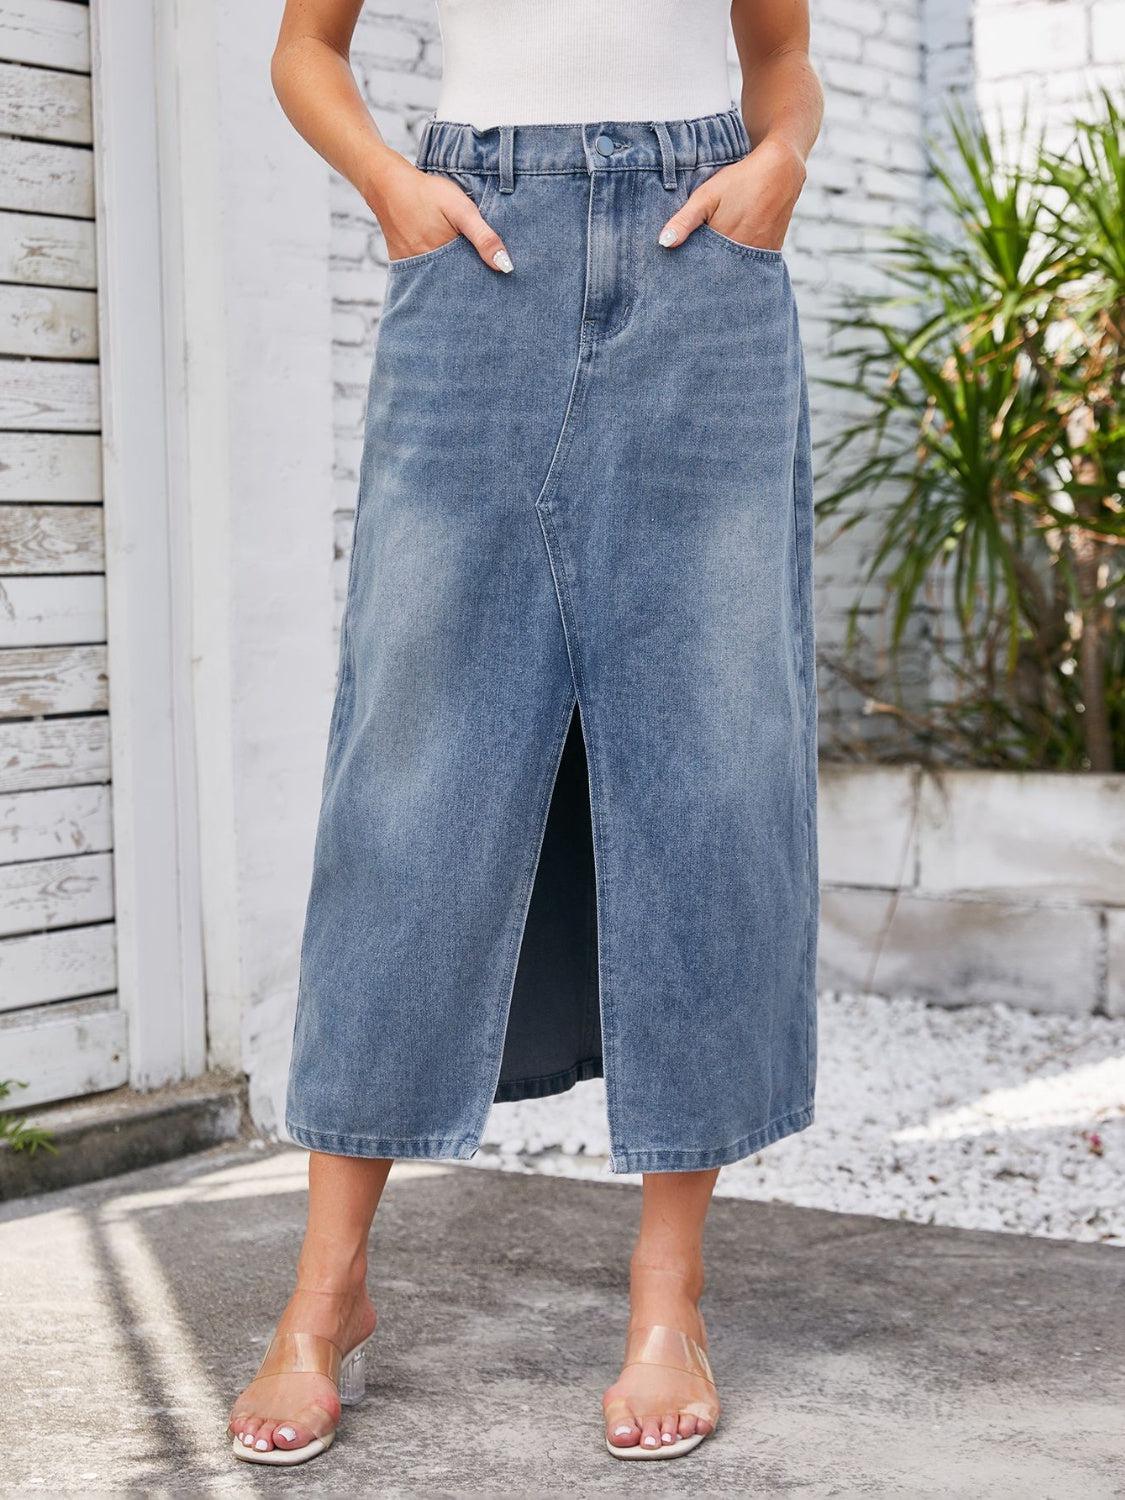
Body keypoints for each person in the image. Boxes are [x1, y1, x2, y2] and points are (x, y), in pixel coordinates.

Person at [229, 0, 822, 1467]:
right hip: (475, 248)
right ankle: (325, 1294)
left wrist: (780, 163)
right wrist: (387, 185)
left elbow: (777, 60)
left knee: (704, 756)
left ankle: (665, 1298)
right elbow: (305, 49)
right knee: (409, 769)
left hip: (704, 264)